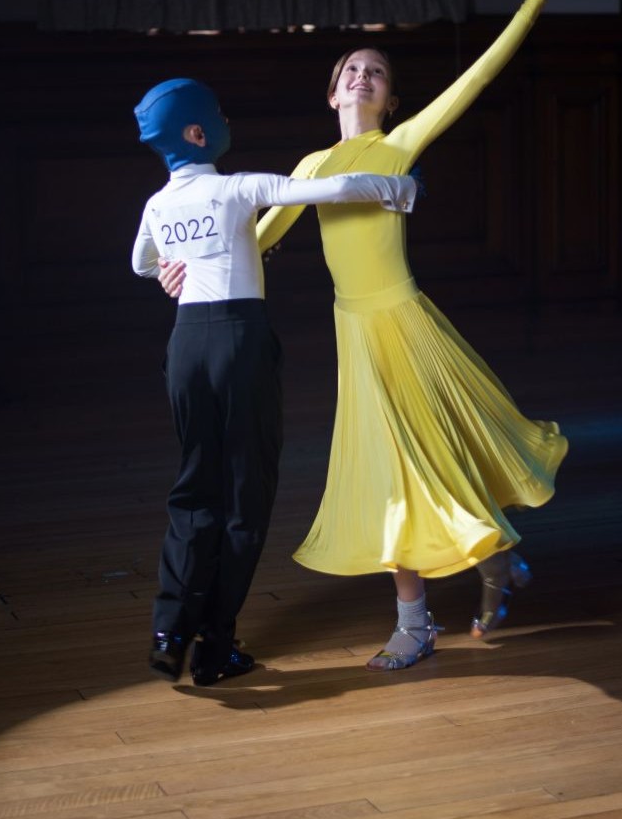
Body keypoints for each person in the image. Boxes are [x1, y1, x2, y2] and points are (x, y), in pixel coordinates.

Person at [159, 0, 568, 672]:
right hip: (356, 335)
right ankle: (419, 619)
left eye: (376, 72)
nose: (363, 77)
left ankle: (490, 565)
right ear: (332, 90)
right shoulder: (313, 167)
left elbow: (475, 80)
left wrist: (532, 0)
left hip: (406, 325)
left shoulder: (399, 145)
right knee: (387, 472)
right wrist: (184, 265)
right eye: (352, 69)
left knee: (443, 456)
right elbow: (255, 234)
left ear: (390, 97)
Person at [131, 77, 418, 686]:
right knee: (246, 497)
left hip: (185, 347)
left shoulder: (158, 205)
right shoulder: (239, 188)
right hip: (240, 342)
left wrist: (167, 269)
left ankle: (169, 630)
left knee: (192, 490)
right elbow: (332, 188)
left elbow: (141, 261)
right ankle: (214, 644)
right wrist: (398, 188)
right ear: (199, 133)